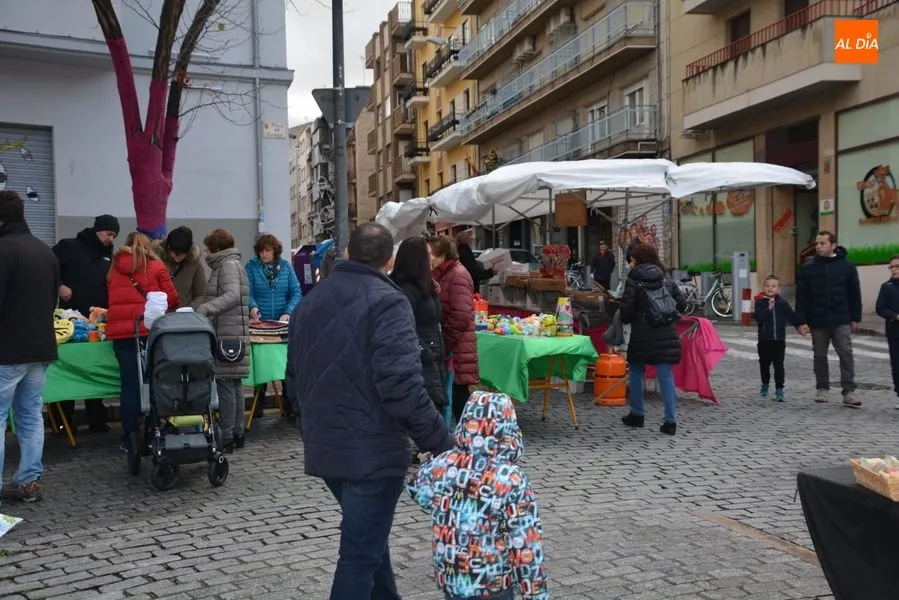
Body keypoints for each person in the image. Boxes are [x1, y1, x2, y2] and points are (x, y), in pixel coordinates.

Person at [286, 222, 453, 600]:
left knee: (369, 542)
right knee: (360, 555)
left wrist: (308, 422)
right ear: (389, 260)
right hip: (372, 450)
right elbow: (402, 388)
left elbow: (292, 379)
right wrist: (443, 444)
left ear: (346, 255)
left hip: (328, 443)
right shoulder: (388, 301)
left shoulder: (310, 300)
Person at [407, 391, 549, 600]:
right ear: (508, 429)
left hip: (452, 579)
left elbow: (417, 491)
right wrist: (536, 594)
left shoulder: (443, 464)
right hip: (492, 585)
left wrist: (449, 504)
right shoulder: (511, 480)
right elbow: (524, 543)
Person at [0, 191, 59, 504]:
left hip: (7, 350)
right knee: (31, 416)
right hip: (40, 348)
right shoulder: (44, 251)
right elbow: (52, 300)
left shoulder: (3, 250)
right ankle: (28, 482)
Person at [105, 232, 178, 453]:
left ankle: (130, 435)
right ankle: (153, 429)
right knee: (153, 381)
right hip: (149, 331)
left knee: (129, 385)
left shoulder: (113, 268)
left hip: (122, 334)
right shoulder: (156, 265)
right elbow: (172, 298)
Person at [53, 214, 120, 433]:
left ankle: (96, 417)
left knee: (94, 368)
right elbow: (47, 266)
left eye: (114, 235)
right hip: (69, 321)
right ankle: (64, 420)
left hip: (96, 322)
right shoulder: (69, 247)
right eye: (109, 233)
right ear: (98, 230)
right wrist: (60, 285)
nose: (111, 239)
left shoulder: (109, 256)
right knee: (69, 370)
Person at [619, 243, 686, 435]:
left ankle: (637, 414)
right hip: (666, 333)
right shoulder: (666, 277)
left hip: (642, 334)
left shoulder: (634, 278)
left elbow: (626, 311)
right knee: (665, 375)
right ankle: (670, 421)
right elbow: (681, 304)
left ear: (638, 259)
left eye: (632, 259)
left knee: (636, 372)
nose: (631, 262)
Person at [195, 228, 250, 451]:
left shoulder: (227, 265)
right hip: (233, 333)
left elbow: (231, 295)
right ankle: (237, 432)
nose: (206, 252)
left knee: (227, 385)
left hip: (227, 334)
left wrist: (205, 308)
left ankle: (227, 436)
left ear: (217, 248)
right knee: (234, 386)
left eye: (208, 248)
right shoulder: (232, 263)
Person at [795, 231, 863, 407]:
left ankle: (849, 391)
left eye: (822, 243)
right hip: (817, 319)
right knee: (819, 355)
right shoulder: (808, 268)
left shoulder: (847, 267)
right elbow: (801, 297)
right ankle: (822, 387)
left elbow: (854, 293)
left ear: (833, 245)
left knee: (846, 353)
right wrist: (801, 321)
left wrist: (856, 317)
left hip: (841, 317)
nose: (818, 246)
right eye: (817, 243)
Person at [390, 236, 447, 411]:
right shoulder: (406, 289)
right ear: (418, 258)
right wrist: (426, 352)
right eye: (428, 253)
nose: (432, 257)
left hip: (432, 360)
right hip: (421, 362)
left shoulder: (424, 285)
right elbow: (403, 328)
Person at [429, 236, 479, 422]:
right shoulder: (444, 273)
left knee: (459, 396)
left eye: (431, 253)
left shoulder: (457, 274)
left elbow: (461, 316)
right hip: (453, 347)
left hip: (457, 348)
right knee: (454, 395)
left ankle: (469, 439)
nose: (429, 258)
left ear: (442, 255)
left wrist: (445, 343)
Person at [754, 275, 801, 402]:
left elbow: (791, 316)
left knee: (779, 365)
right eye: (767, 286)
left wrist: (800, 325)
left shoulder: (782, 303)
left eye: (773, 286)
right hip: (765, 340)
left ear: (779, 289)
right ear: (764, 288)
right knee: (764, 364)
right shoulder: (760, 302)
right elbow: (759, 318)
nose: (770, 288)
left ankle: (779, 389)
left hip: (779, 340)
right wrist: (768, 308)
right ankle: (765, 383)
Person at [245, 233, 301, 322]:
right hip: (259, 321)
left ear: (275, 251)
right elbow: (247, 293)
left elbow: (296, 293)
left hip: (282, 321)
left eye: (267, 250)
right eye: (261, 251)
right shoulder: (251, 267)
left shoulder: (286, 266)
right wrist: (252, 307)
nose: (264, 254)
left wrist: (288, 312)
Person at [155, 226, 207, 309]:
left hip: (183, 316)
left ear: (188, 251)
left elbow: (200, 294)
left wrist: (189, 309)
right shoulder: (156, 260)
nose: (177, 257)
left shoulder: (194, 263)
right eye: (174, 253)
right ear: (168, 248)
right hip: (159, 314)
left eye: (181, 254)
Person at [875, 254, 899, 409]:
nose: (894, 270)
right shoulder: (887, 286)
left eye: (897, 266)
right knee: (897, 365)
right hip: (895, 331)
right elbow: (880, 307)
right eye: (892, 267)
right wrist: (894, 316)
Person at [455, 229, 493, 294]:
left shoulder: (459, 251)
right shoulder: (465, 253)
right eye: (469, 237)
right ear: (465, 240)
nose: (471, 239)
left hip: (463, 286)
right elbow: (475, 272)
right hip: (469, 287)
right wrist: (491, 272)